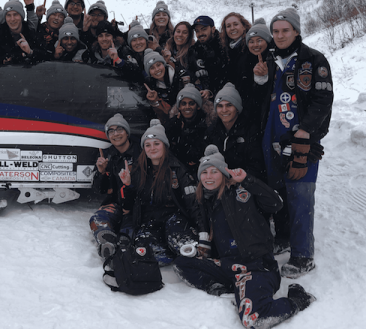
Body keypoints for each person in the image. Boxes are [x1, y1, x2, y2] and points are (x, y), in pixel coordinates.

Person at [173, 145, 316, 329]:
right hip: (228, 265)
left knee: (254, 319)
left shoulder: (242, 191)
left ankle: (298, 299)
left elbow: (276, 203)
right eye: (205, 172)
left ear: (224, 173)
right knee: (182, 263)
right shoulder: (206, 202)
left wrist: (248, 180)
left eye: (214, 172)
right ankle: (221, 287)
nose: (208, 176)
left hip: (256, 266)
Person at [255, 8, 333, 278]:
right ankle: (285, 237)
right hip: (272, 134)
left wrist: (307, 133)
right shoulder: (269, 58)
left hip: (300, 137)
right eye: (275, 31)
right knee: (277, 190)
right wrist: (261, 78)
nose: (279, 35)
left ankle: (303, 255)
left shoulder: (313, 59)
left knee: (300, 194)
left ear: (296, 31)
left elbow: (323, 100)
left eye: (285, 30)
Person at [118, 119, 201, 265]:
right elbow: (128, 206)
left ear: (164, 145)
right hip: (149, 221)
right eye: (148, 145)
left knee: (184, 247)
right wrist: (128, 185)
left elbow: (193, 203)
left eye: (157, 143)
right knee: (146, 252)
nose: (152, 148)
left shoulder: (177, 169)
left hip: (174, 217)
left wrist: (203, 232)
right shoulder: (138, 171)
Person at [90, 113, 142, 259]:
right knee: (97, 219)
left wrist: (130, 187)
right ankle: (107, 242)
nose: (115, 134)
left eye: (119, 129)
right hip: (117, 203)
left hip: (138, 205)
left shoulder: (141, 152)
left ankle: (125, 245)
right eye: (111, 131)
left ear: (126, 132)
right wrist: (101, 172)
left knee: (130, 230)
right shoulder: (107, 155)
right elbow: (100, 190)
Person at [205, 83, 265, 181]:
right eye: (220, 106)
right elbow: (206, 163)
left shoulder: (250, 130)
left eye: (229, 105)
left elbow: (256, 166)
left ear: (237, 108)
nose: (224, 110)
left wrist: (236, 180)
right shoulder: (212, 130)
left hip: (244, 184)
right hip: (219, 183)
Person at [166, 84, 215, 176]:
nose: (187, 107)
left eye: (191, 103)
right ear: (179, 107)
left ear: (198, 106)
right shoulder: (172, 124)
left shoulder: (207, 123)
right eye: (183, 103)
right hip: (179, 171)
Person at [235, 18, 272, 123]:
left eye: (259, 40)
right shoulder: (244, 60)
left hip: (270, 112)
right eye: (251, 41)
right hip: (251, 113)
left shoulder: (273, 60)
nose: (255, 45)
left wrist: (263, 79)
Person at [0, 0, 45, 65]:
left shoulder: (30, 31)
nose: (12, 19)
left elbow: (44, 54)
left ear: (21, 16)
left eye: (15, 14)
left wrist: (30, 52)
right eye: (8, 15)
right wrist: (16, 57)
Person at [143, 48, 190, 123]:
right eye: (152, 68)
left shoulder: (179, 74)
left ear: (164, 64)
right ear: (149, 72)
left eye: (159, 65)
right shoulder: (152, 87)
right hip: (175, 120)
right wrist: (155, 100)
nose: (157, 69)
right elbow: (164, 113)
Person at [190, 15, 229, 98]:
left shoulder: (225, 45)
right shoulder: (195, 50)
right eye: (197, 31)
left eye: (204, 29)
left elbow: (226, 74)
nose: (200, 34)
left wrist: (211, 90)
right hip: (204, 97)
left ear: (213, 29)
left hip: (226, 96)